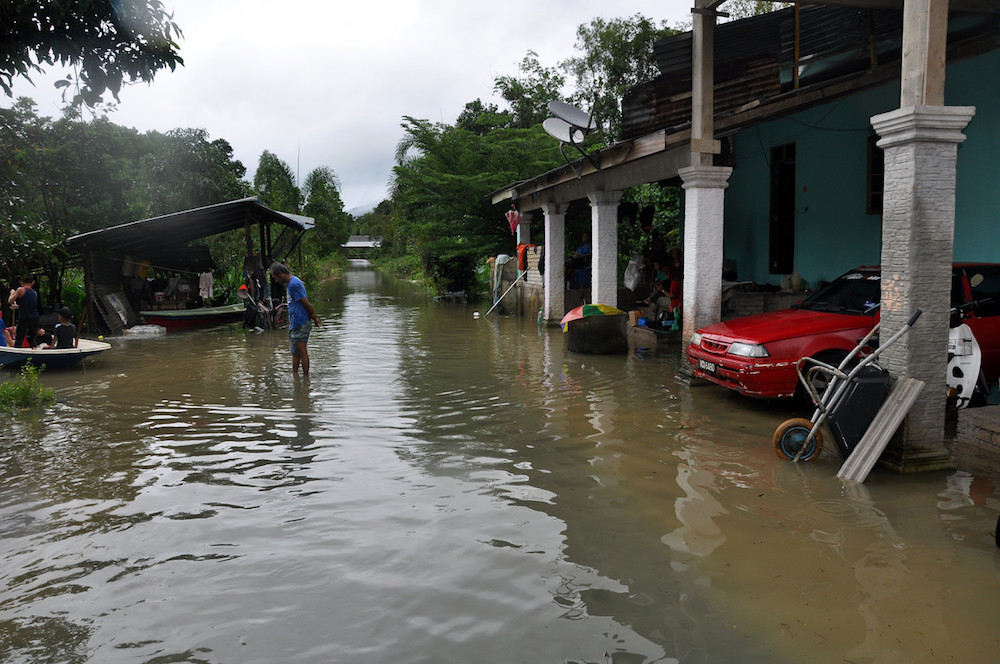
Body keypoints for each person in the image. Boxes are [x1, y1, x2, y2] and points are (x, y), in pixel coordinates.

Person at [268, 262, 321, 375]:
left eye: (275, 278)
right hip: (295, 323)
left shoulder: (294, 284)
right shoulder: (290, 284)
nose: (276, 281)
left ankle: (306, 380)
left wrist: (315, 317)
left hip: (301, 322)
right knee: (295, 352)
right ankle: (295, 377)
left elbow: (306, 303)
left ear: (280, 274)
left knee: (302, 352)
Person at [8, 275, 39, 349]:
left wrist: (12, 293)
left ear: (21, 282)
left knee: (19, 337)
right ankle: (34, 350)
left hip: (24, 317)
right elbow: (29, 306)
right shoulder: (34, 293)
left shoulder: (21, 290)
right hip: (35, 318)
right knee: (31, 338)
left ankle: (16, 353)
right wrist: (17, 307)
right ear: (33, 282)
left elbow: (10, 301)